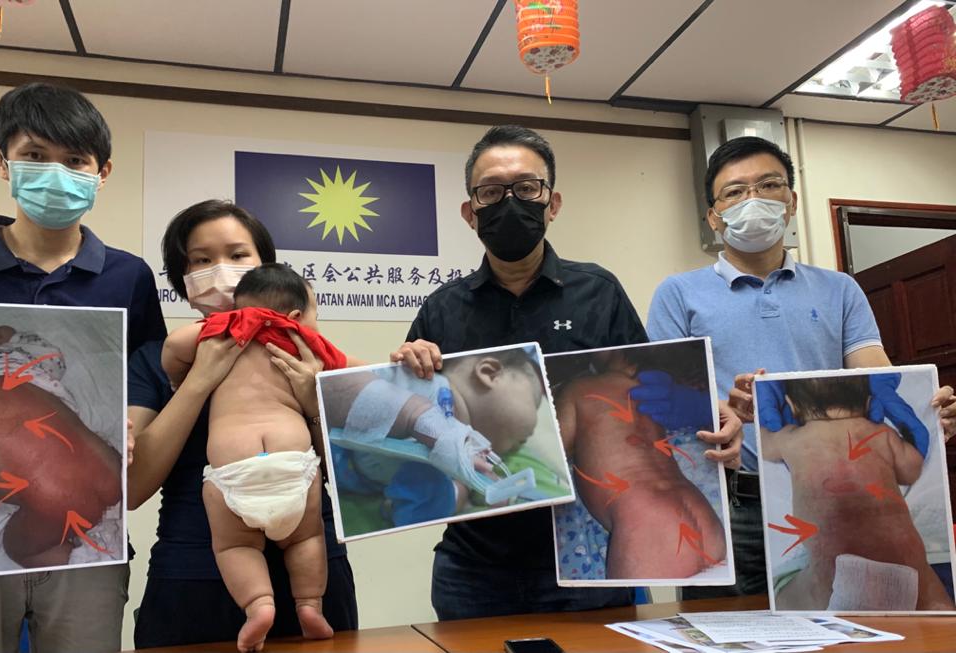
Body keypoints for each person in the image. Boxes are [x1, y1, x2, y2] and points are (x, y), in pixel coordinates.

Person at [390, 125, 742, 619]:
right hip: (475, 561)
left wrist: (712, 415)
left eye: (526, 188)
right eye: (491, 192)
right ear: (471, 212)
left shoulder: (598, 292)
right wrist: (408, 368)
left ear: (552, 203)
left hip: (585, 565)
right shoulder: (441, 309)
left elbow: (651, 390)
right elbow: (416, 424)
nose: (509, 202)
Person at [646, 135, 956, 600]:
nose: (752, 200)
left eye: (768, 185)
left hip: (844, 505)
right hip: (727, 502)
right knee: (722, 628)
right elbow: (664, 395)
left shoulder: (840, 289)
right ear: (714, 216)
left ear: (791, 201)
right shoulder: (678, 294)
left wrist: (927, 410)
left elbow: (876, 376)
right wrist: (720, 408)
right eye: (734, 192)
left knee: (847, 623)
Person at [0, 82, 166, 653]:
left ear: (101, 172)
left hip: (91, 544)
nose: (56, 174)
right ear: (1, 160)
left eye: (75, 160)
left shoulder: (128, 276)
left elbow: (147, 371)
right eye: (35, 155)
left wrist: (132, 423)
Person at [128, 199, 358, 649]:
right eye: (201, 260)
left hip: (314, 566)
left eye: (237, 255)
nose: (220, 269)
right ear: (181, 276)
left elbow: (358, 473)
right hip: (190, 577)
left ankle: (303, 603)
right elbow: (132, 489)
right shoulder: (156, 360)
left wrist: (313, 401)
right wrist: (198, 381)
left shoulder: (303, 352)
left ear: (266, 266)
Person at [162, 263, 339, 650]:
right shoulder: (304, 342)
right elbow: (353, 375)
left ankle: (258, 605)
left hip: (233, 470)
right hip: (293, 464)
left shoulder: (224, 331)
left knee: (235, 547)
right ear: (296, 315)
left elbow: (174, 345)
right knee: (307, 537)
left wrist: (178, 377)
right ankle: (310, 604)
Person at [0, 304, 123, 577]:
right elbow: (52, 358)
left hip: (52, 505)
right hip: (110, 466)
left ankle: (82, 563)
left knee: (18, 547)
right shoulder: (2, 356)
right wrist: (13, 337)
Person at [761, 375, 953, 611]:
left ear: (791, 405)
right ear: (870, 402)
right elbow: (910, 472)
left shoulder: (790, 437)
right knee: (930, 593)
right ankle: (938, 609)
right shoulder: (882, 433)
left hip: (833, 567)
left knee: (794, 598)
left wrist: (759, 408)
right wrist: (909, 435)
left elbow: (765, 446)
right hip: (905, 560)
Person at [321, 345, 554, 533]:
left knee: (439, 492)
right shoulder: (422, 381)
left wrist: (465, 488)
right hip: (322, 434)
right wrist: (420, 419)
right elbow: (333, 385)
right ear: (490, 373)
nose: (525, 441)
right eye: (535, 400)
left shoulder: (463, 462)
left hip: (347, 482)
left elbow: (411, 515)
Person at [555, 349, 726, 580]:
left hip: (647, 518)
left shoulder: (580, 388)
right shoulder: (661, 393)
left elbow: (552, 454)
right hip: (700, 511)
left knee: (631, 604)